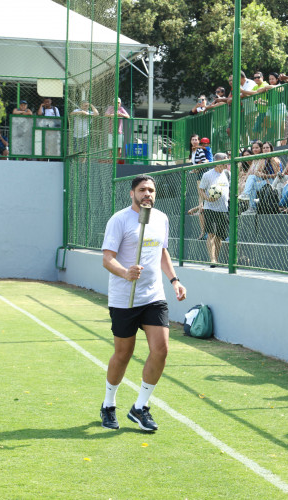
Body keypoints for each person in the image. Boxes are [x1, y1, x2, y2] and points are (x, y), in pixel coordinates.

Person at [99, 174, 186, 431]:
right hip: (124, 299)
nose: (147, 194)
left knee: (161, 349)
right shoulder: (119, 220)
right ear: (132, 193)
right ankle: (108, 405)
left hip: (153, 296)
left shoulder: (161, 219)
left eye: (151, 190)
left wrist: (174, 280)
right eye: (142, 190)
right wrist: (125, 272)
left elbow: (162, 252)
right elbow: (107, 258)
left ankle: (140, 407)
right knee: (123, 354)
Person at [199, 152, 230, 267]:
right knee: (211, 234)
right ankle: (212, 259)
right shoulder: (207, 175)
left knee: (219, 236)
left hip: (223, 209)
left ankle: (216, 258)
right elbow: (201, 189)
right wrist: (207, 198)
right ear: (217, 162)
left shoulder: (227, 174)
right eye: (225, 160)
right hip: (210, 208)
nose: (227, 162)